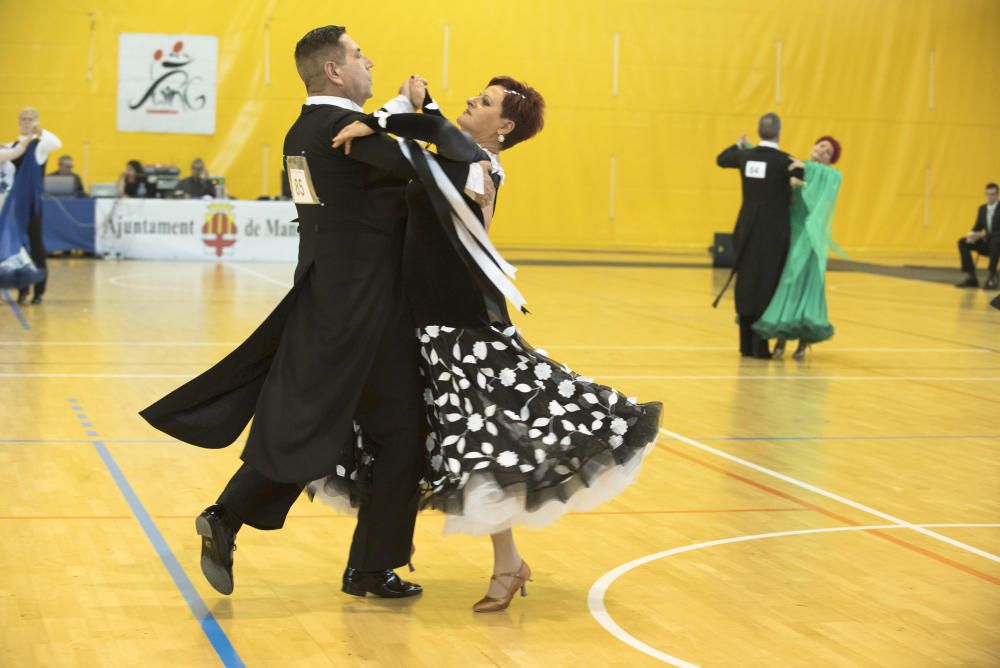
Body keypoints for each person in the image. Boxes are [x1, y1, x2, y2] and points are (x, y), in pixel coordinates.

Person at [140, 25, 482, 599]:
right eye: (358, 55)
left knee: (376, 432)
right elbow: (457, 166)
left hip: (332, 300)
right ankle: (236, 520)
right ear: (334, 71)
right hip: (362, 310)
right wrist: (418, 112)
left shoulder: (302, 131)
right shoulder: (344, 134)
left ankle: (367, 565)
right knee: (345, 431)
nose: (369, 61)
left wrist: (384, 116)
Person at [313, 76, 662, 613]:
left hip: (463, 327)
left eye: (485, 102)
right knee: (458, 442)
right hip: (424, 322)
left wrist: (383, 118)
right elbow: (434, 128)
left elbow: (434, 139)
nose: (470, 103)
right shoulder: (455, 154)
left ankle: (495, 562)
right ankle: (455, 556)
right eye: (474, 96)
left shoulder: (478, 167)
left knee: (484, 442)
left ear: (503, 127)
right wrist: (416, 99)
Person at [716, 113, 803, 359]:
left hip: (746, 228)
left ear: (758, 131)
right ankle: (760, 346)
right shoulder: (785, 161)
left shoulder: (746, 156)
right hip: (774, 232)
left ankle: (745, 345)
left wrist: (739, 145)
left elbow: (722, 159)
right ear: (779, 132)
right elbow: (805, 180)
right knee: (767, 284)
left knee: (746, 282)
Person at [754, 136, 844, 360]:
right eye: (822, 146)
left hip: (812, 239)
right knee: (788, 283)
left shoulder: (828, 176)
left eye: (828, 153)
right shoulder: (796, 165)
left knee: (809, 287)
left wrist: (808, 168)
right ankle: (781, 339)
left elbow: (832, 177)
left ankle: (804, 343)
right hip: (793, 234)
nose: (823, 151)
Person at [1, 108, 61, 303]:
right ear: (19, 122)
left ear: (36, 121)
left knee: (36, 247)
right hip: (14, 203)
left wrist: (39, 130)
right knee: (17, 249)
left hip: (32, 203)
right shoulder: (13, 145)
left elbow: (56, 143)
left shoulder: (40, 146)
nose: (26, 122)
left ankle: (39, 291)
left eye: (30, 119)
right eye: (24, 119)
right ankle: (22, 289)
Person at [0, 135, 46, 290]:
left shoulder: (6, 157)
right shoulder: (4, 155)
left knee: (9, 245)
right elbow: (16, 151)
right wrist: (29, 137)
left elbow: (9, 149)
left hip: (7, 206)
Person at [955, 182, 999, 290]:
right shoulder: (982, 209)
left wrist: (985, 234)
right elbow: (978, 226)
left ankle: (992, 276)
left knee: (995, 240)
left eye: (992, 194)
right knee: (963, 242)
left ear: (997, 195)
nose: (990, 197)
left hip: (997, 244)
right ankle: (971, 277)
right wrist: (972, 235)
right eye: (987, 194)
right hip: (986, 243)